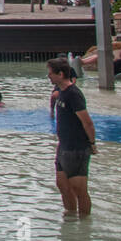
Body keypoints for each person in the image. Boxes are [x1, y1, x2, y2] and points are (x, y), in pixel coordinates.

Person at [47, 57, 97, 218]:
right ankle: (69, 216)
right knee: (62, 184)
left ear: (60, 74)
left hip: (77, 147)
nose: (48, 76)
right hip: (64, 146)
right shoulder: (60, 91)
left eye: (50, 73)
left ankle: (84, 222)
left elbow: (87, 123)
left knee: (78, 188)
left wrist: (92, 144)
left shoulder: (73, 94)